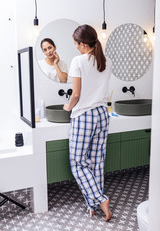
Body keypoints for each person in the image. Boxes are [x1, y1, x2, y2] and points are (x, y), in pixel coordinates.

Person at [63, 24, 112, 221]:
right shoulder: (107, 61)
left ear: (83, 44)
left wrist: (68, 107)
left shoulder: (78, 61)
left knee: (78, 163)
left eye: (76, 43)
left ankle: (100, 199)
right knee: (96, 162)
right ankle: (92, 206)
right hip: (102, 114)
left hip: (84, 116)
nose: (75, 47)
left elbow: (76, 94)